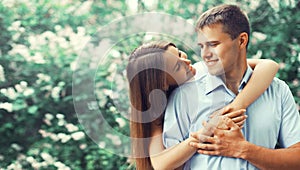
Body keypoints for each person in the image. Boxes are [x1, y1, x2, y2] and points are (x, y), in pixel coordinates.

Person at [163, 4, 300, 170]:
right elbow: (168, 164)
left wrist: (243, 150)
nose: (205, 54)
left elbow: (297, 158)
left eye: (213, 44)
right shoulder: (185, 93)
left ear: (242, 40)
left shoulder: (278, 91)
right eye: (201, 46)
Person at [126, 41, 279, 169]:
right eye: (177, 67)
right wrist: (205, 132)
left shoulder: (203, 70)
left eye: (179, 54)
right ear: (163, 84)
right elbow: (161, 164)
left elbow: (268, 66)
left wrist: (234, 107)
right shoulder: (155, 113)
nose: (186, 62)